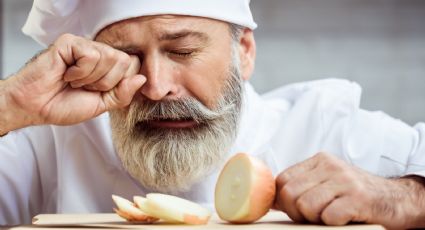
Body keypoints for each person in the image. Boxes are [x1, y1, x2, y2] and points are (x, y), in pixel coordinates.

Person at [0, 0, 424, 228]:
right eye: (126, 57)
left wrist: (396, 197)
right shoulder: (49, 141)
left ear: (245, 53)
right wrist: (11, 106)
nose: (156, 84)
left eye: (183, 51)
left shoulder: (323, 126)